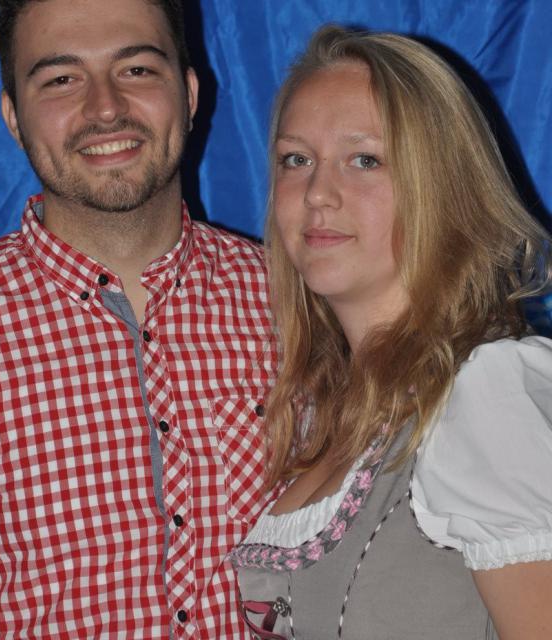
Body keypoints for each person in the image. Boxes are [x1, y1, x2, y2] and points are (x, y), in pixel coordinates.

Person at [0, 0, 276, 637]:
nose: (105, 108)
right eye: (61, 79)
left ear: (189, 94)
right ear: (13, 118)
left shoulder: (294, 307)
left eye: (136, 70)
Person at [230, 25, 552, 639]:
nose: (318, 194)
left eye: (366, 160)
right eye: (296, 160)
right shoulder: (327, 412)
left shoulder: (485, 394)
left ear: (443, 187)